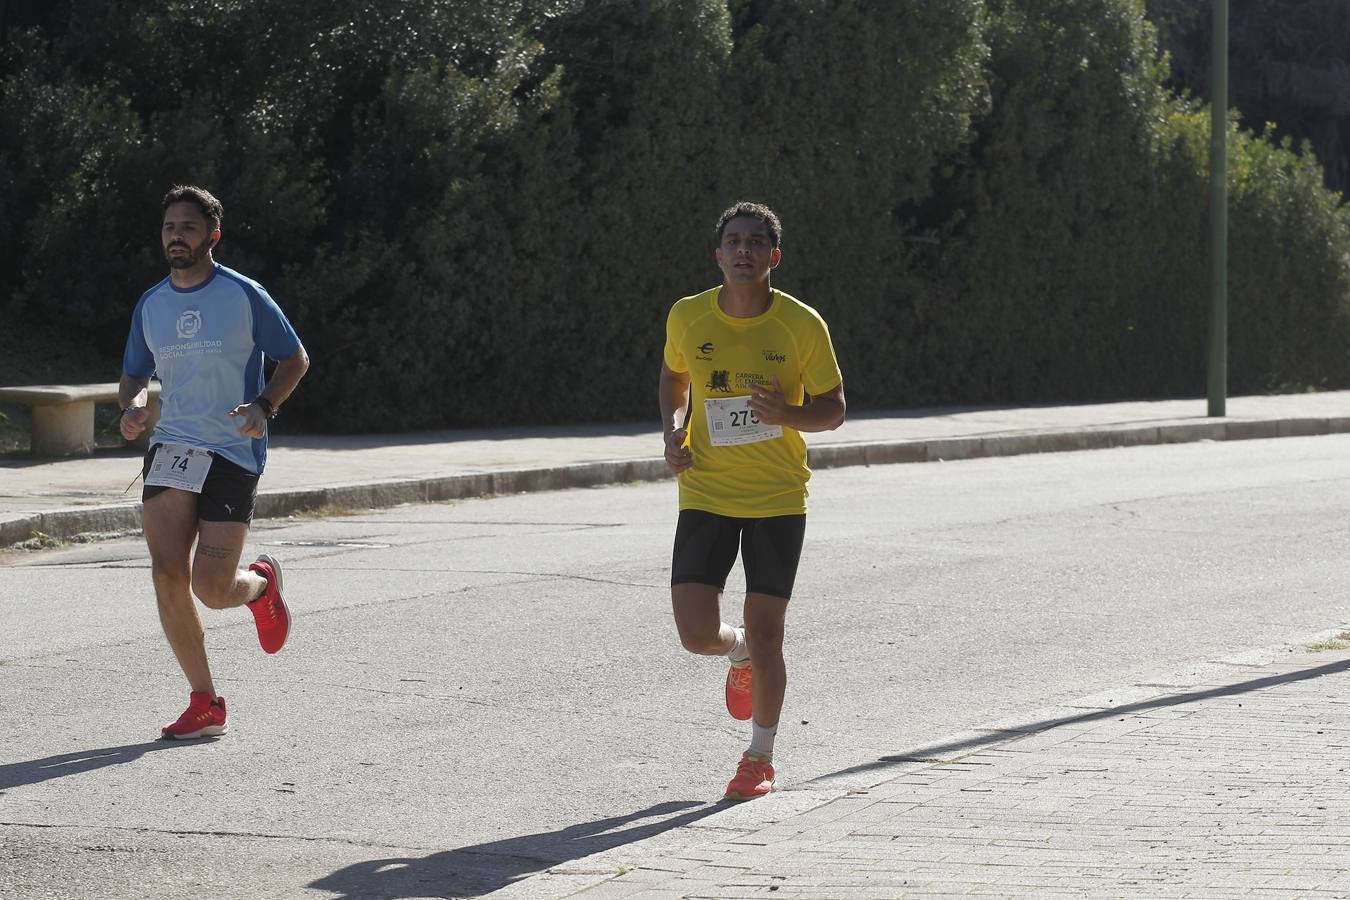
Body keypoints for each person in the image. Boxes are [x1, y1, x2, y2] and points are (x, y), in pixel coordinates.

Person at [659, 201, 845, 800]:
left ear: (774, 256)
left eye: (755, 242)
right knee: (694, 634)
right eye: (733, 240)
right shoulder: (688, 316)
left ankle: (759, 755)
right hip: (707, 491)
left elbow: (834, 408)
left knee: (770, 635)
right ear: (718, 254)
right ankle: (734, 650)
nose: (743, 249)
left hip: (776, 498)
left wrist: (786, 413)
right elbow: (673, 378)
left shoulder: (801, 325)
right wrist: (674, 428)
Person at [119, 184, 310, 740]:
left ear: (213, 236)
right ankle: (206, 701)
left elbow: (295, 357)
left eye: (188, 227)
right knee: (165, 574)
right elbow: (134, 373)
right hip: (173, 449)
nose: (176, 236)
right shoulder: (152, 303)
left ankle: (260, 587)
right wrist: (133, 408)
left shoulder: (244, 295)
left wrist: (265, 405)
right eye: (169, 227)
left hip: (231, 449)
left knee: (210, 585)